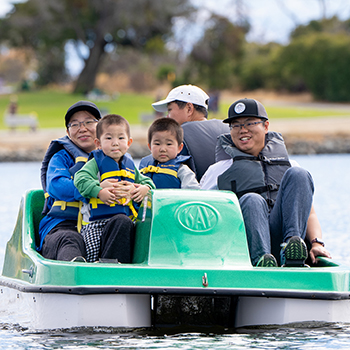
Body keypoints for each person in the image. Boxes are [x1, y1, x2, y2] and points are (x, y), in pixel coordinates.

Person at [200, 98, 331, 267]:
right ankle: (262, 261)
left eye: (249, 123)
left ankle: (292, 249)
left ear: (266, 126)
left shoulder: (290, 165)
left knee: (299, 173)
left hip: (280, 236)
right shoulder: (218, 171)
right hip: (244, 245)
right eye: (236, 125)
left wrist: (317, 244)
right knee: (252, 199)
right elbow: (202, 212)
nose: (242, 130)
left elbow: (310, 214)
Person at [74, 114, 155, 263]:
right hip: (97, 223)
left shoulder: (130, 166)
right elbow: (80, 179)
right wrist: (99, 191)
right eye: (109, 138)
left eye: (121, 138)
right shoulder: (96, 162)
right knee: (92, 251)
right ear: (98, 143)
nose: (115, 143)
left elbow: (148, 182)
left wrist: (144, 189)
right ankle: (93, 269)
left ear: (129, 142)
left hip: (124, 221)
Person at [39, 100, 102, 262]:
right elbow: (56, 186)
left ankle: (119, 280)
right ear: (68, 132)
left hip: (99, 223)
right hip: (64, 225)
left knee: (122, 225)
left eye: (88, 122)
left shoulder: (114, 159)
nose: (82, 128)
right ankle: (73, 280)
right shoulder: (60, 158)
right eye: (75, 124)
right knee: (71, 240)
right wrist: (97, 190)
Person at [152, 84, 230, 182]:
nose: (167, 116)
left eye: (170, 110)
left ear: (189, 109)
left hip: (196, 196)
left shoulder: (180, 133)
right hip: (229, 195)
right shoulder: (228, 129)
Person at [139, 118, 200, 189]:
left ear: (179, 148)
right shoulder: (143, 166)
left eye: (169, 144)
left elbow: (194, 193)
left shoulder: (182, 171)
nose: (163, 149)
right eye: (157, 144)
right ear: (150, 147)